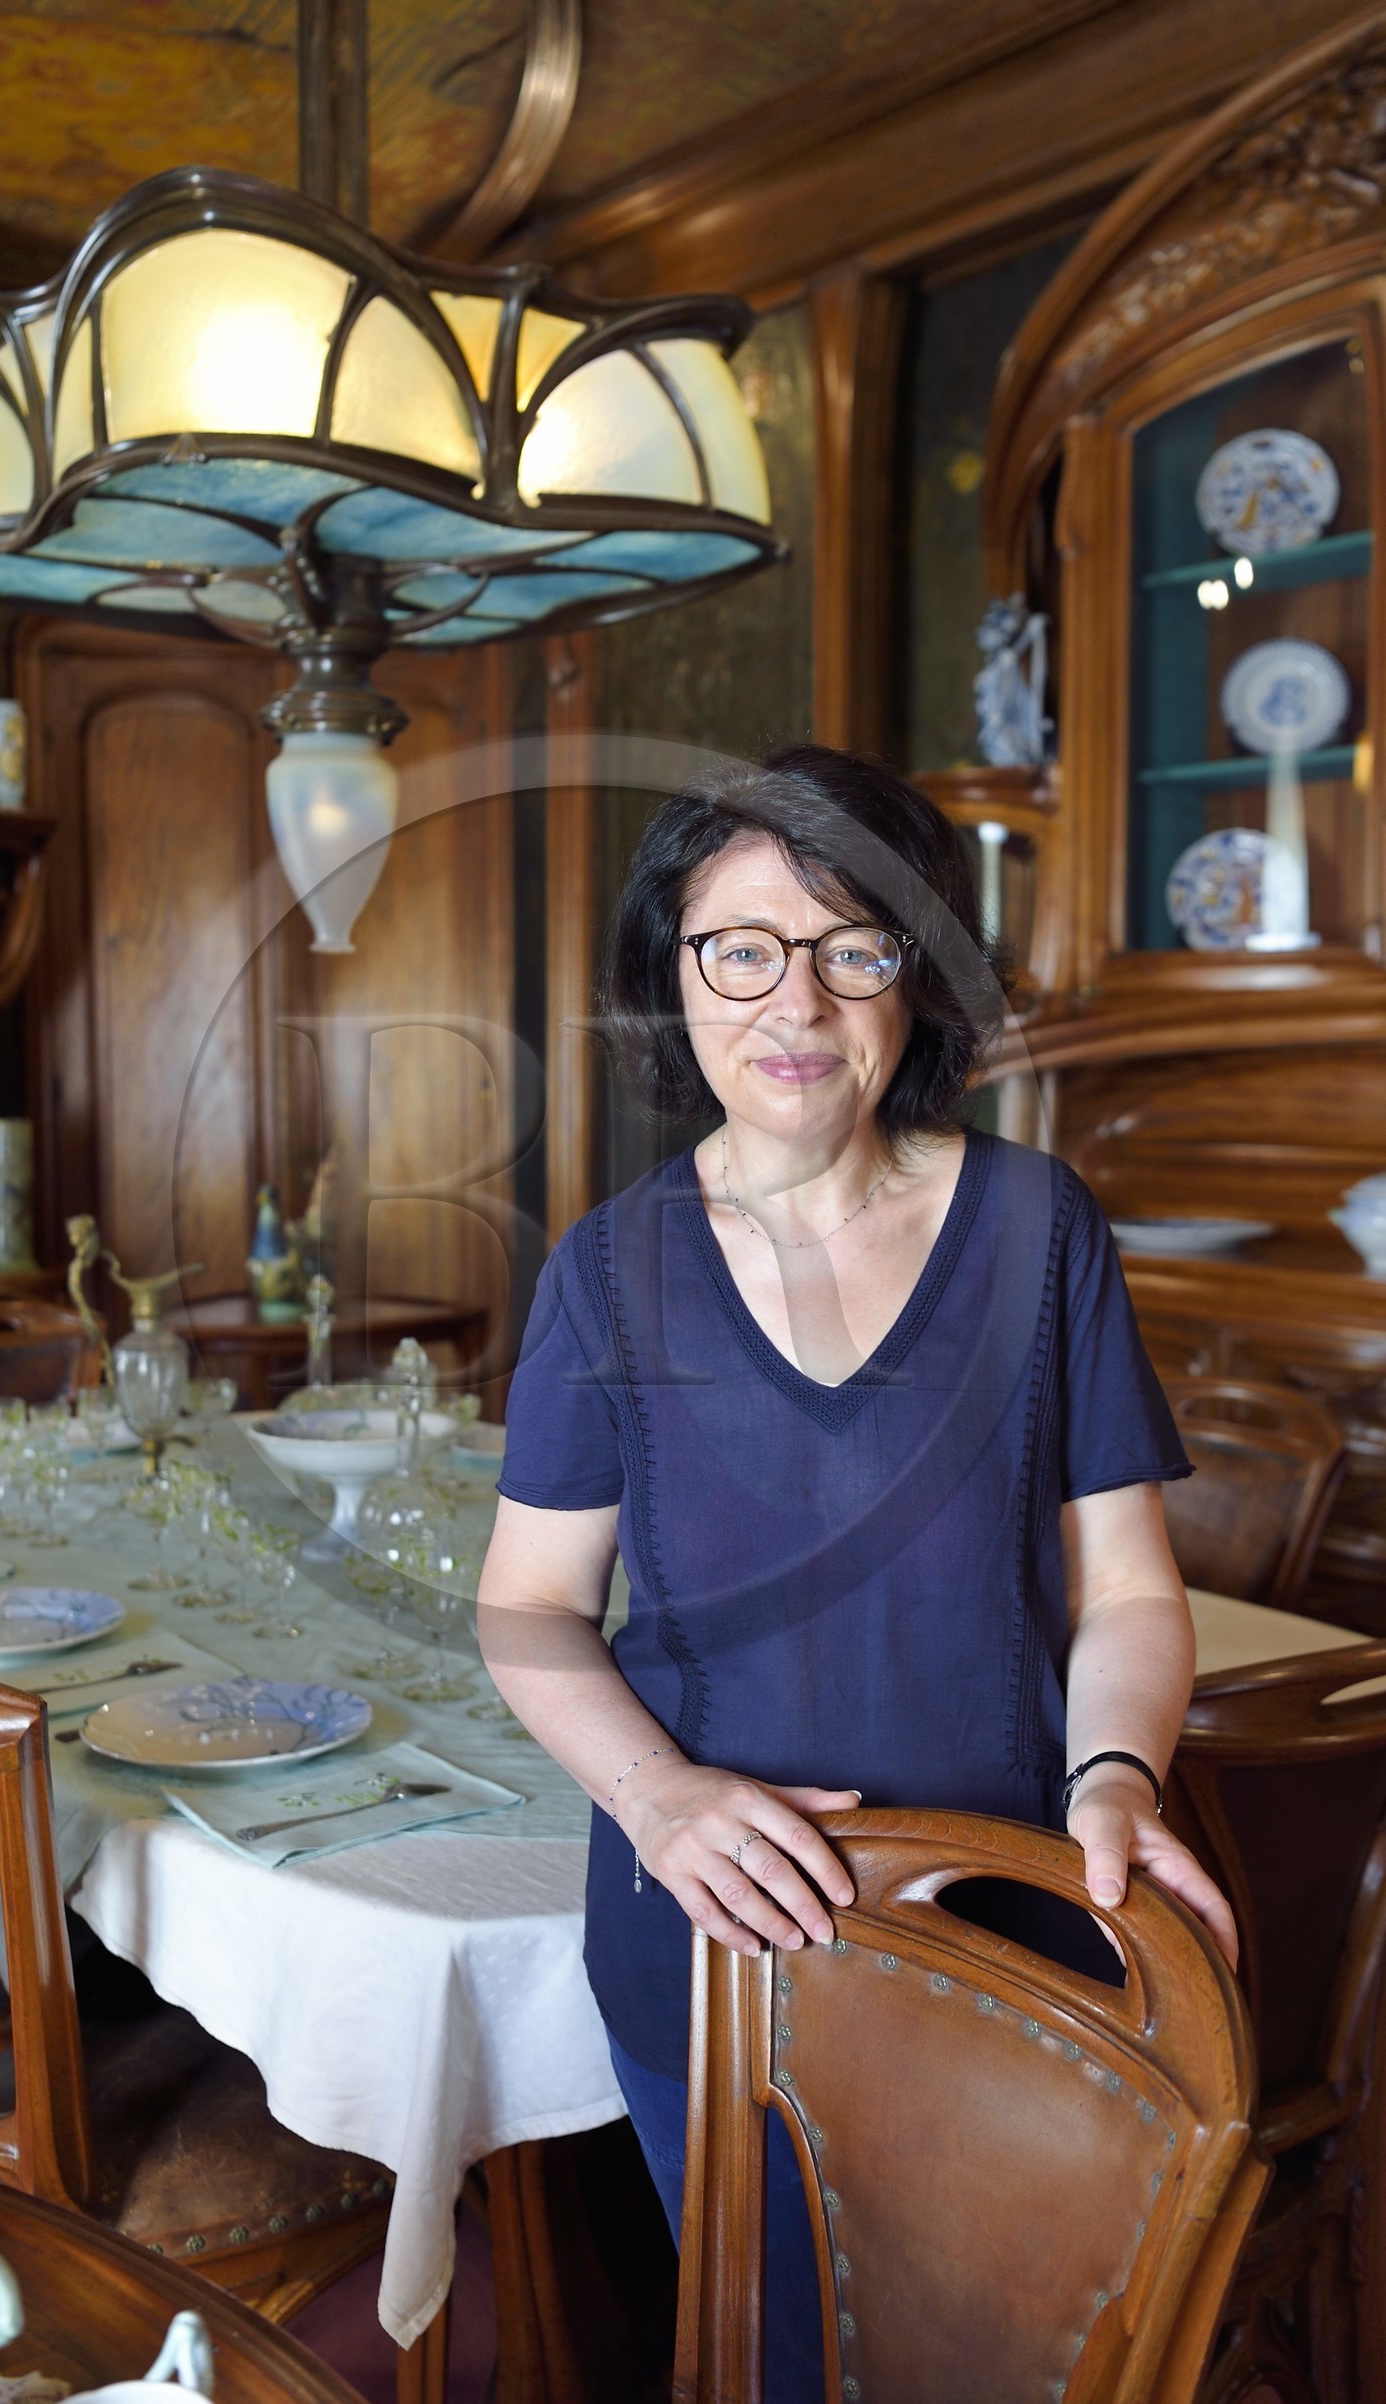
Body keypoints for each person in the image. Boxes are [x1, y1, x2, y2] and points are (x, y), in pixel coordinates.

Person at [475, 746, 1235, 2398]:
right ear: (676, 975)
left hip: (1009, 1935)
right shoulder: (607, 1269)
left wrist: (1117, 1774)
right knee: (772, 2365)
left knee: (1005, 2366)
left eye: (853, 947)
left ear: (921, 971)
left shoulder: (1041, 1230)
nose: (795, 1002)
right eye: (742, 948)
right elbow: (526, 1607)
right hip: (713, 1953)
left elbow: (1128, 1591)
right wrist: (659, 1800)